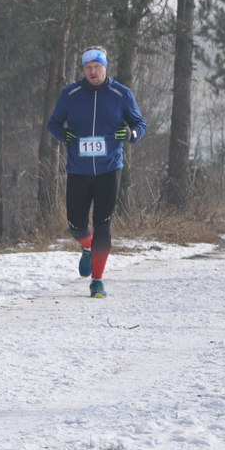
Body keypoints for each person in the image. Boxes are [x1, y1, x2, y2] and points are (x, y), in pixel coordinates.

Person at [47, 46, 147, 298]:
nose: (93, 72)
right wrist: (62, 134)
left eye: (97, 66)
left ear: (105, 67)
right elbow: (53, 123)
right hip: (78, 170)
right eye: (88, 67)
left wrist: (131, 134)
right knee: (76, 226)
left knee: (103, 225)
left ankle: (98, 281)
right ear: (84, 69)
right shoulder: (70, 94)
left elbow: (140, 124)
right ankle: (87, 247)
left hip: (109, 169)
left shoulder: (121, 94)